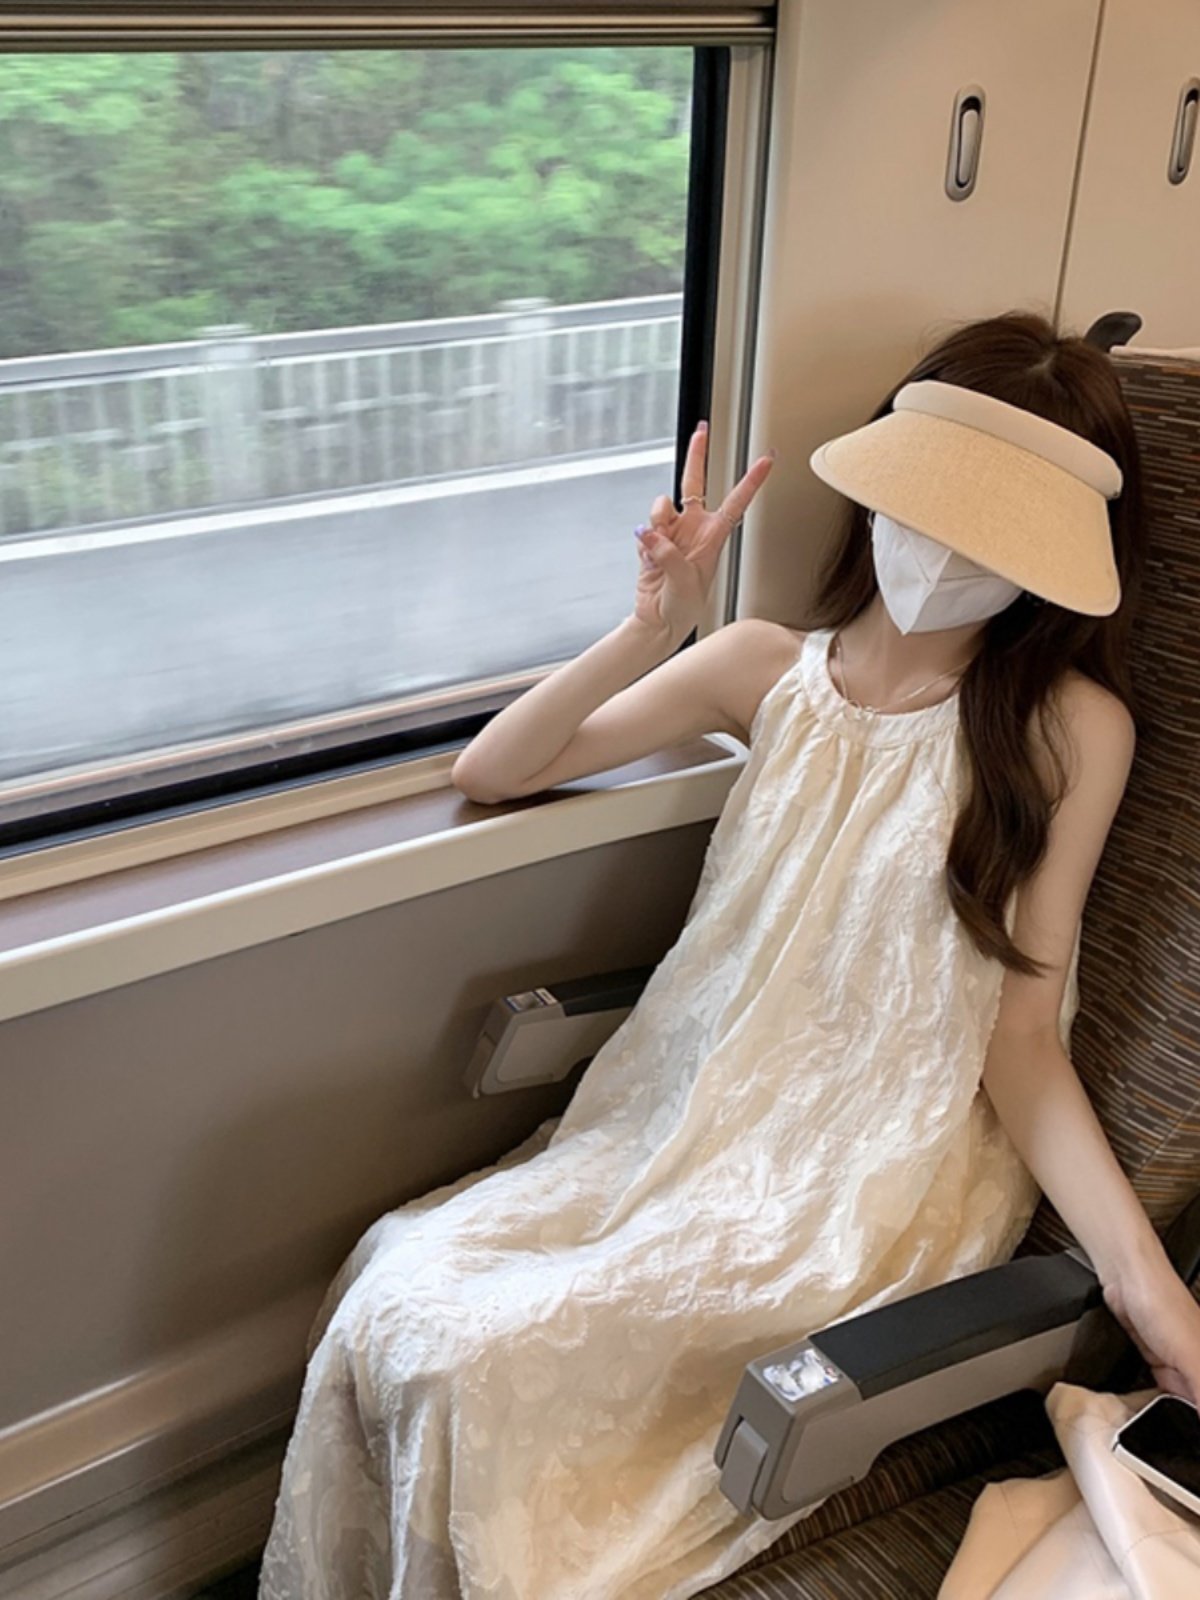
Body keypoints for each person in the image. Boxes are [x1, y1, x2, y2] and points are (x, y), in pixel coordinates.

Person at [258, 312, 1200, 1600]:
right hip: (684, 1122)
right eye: (933, 511)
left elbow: (1021, 1037)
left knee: (473, 1364)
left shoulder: (1067, 732)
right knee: (398, 1283)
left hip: (873, 1178)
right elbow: (496, 769)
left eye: (996, 539)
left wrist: (1149, 1297)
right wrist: (655, 627)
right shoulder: (765, 667)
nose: (946, 555)